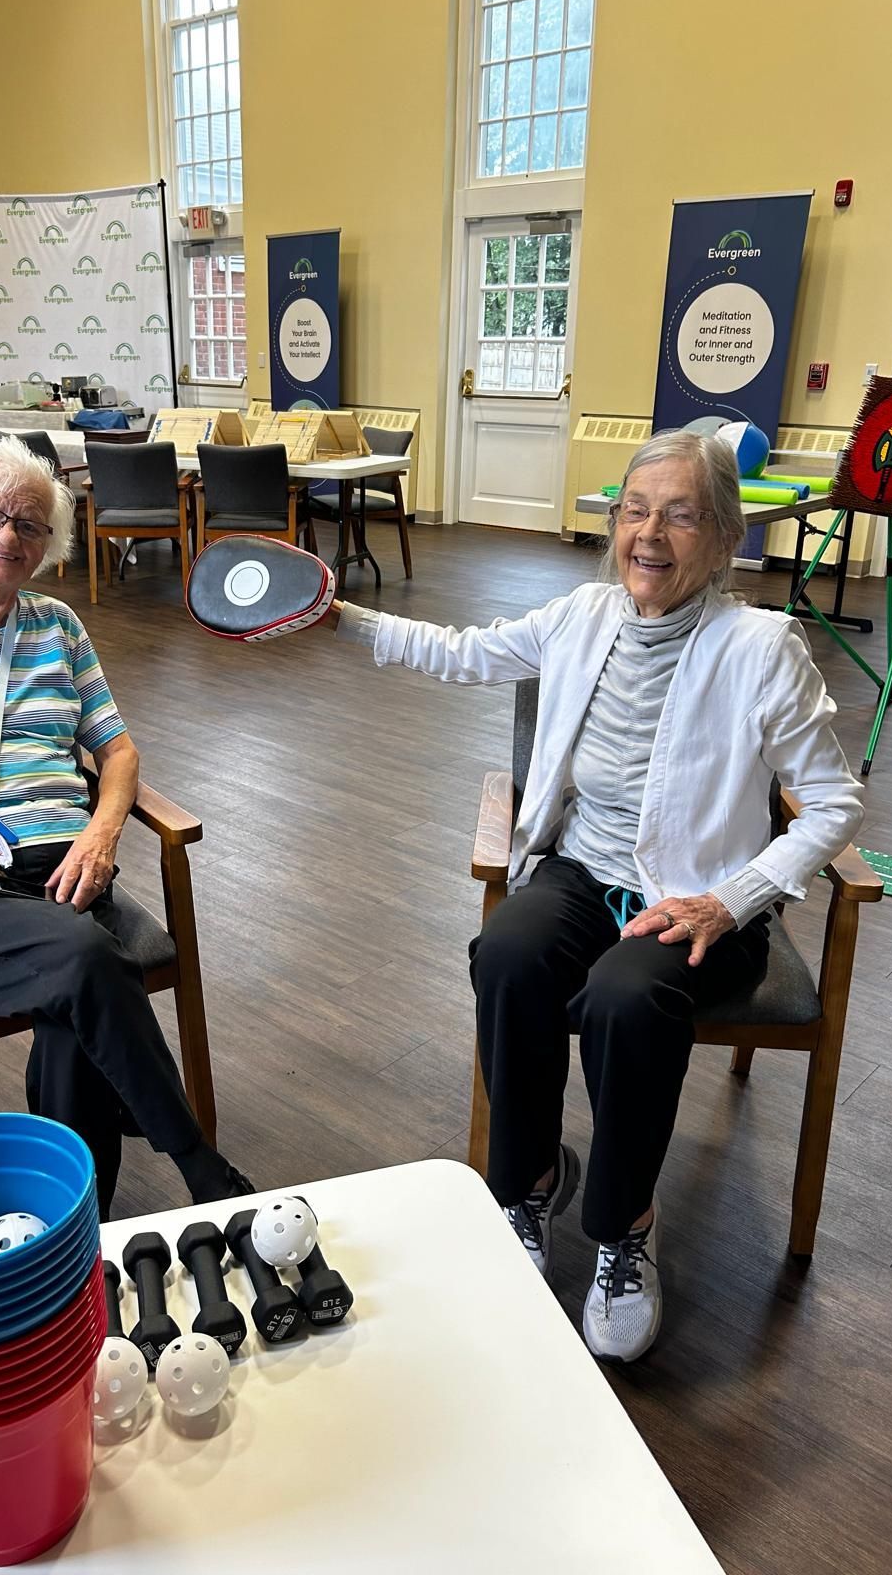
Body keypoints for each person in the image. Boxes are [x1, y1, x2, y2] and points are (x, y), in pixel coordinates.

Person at [329, 430, 862, 1362]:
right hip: (583, 868)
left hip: (701, 897)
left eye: (681, 514)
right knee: (508, 954)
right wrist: (335, 615)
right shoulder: (581, 615)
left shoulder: (762, 646)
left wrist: (736, 897)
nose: (650, 534)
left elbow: (833, 801)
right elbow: (460, 652)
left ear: (726, 534)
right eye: (634, 510)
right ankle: (531, 1183)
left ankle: (622, 1230)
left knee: (625, 995)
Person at [0, 434, 252, 1217]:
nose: (7, 536)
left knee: (75, 1001)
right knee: (86, 959)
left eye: (30, 525)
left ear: (49, 544)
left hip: (64, 864)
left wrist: (102, 834)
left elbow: (119, 750)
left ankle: (78, 1219)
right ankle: (199, 1163)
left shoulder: (58, 625)